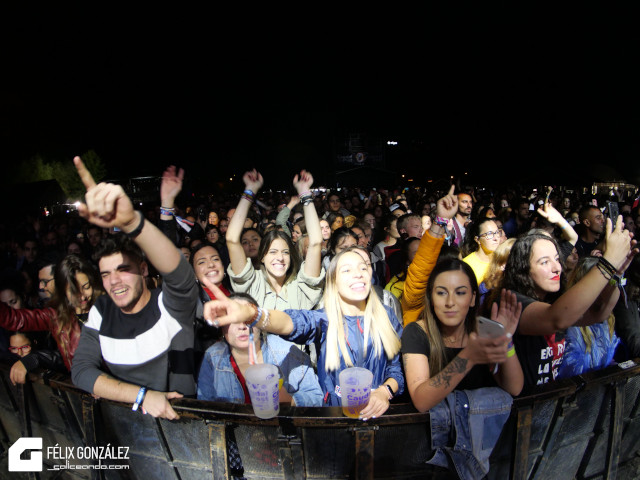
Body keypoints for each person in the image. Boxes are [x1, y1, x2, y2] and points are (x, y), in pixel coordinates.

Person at [201, 247, 405, 420]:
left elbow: (396, 369)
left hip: (380, 420)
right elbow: (291, 322)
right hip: (334, 425)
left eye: (364, 267)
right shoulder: (324, 320)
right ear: (333, 280)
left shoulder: (386, 316)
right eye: (347, 270)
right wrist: (253, 314)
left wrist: (384, 392)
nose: (358, 274)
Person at [70, 158, 199, 420]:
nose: (114, 281)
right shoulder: (102, 310)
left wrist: (132, 223)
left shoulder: (169, 304)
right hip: (129, 432)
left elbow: (180, 276)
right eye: (106, 274)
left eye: (123, 270)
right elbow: (81, 371)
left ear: (143, 270)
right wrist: (142, 396)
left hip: (184, 428)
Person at [493, 216, 636, 386]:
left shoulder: (553, 299)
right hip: (521, 408)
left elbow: (599, 314)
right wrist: (608, 262)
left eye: (556, 258)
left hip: (546, 406)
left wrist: (616, 275)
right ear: (523, 268)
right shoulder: (511, 300)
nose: (557, 268)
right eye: (544, 262)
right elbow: (557, 319)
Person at [401, 261, 523, 412]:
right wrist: (468, 357)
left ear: (472, 298)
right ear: (431, 298)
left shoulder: (482, 331)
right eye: (441, 293)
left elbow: (514, 388)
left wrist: (505, 339)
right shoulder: (416, 332)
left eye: (460, 293)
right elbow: (421, 401)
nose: (450, 302)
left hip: (479, 431)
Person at [197, 292, 323, 407]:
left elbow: (317, 398)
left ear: (259, 323)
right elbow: (204, 407)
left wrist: (291, 400)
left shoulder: (287, 352)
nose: (242, 326)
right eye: (234, 319)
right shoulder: (212, 357)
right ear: (222, 326)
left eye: (248, 319)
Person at [226, 169, 325, 311]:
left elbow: (315, 241)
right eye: (273, 252)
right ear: (262, 257)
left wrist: (305, 193)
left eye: (285, 252)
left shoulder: (301, 287)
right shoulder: (253, 284)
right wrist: (249, 191)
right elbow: (232, 239)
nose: (280, 258)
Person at [0, 254, 104, 383]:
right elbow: (14, 319)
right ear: (63, 290)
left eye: (86, 287)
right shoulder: (57, 316)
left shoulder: (108, 308)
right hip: (84, 387)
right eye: (73, 291)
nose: (82, 296)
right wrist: (34, 358)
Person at [557, 256, 620, 379]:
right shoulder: (570, 323)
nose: (608, 289)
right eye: (604, 284)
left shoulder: (608, 318)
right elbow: (568, 372)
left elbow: (606, 357)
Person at [461, 218, 502, 286]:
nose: (495, 238)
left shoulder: (502, 259)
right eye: (489, 234)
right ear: (477, 239)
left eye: (497, 232)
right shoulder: (467, 265)